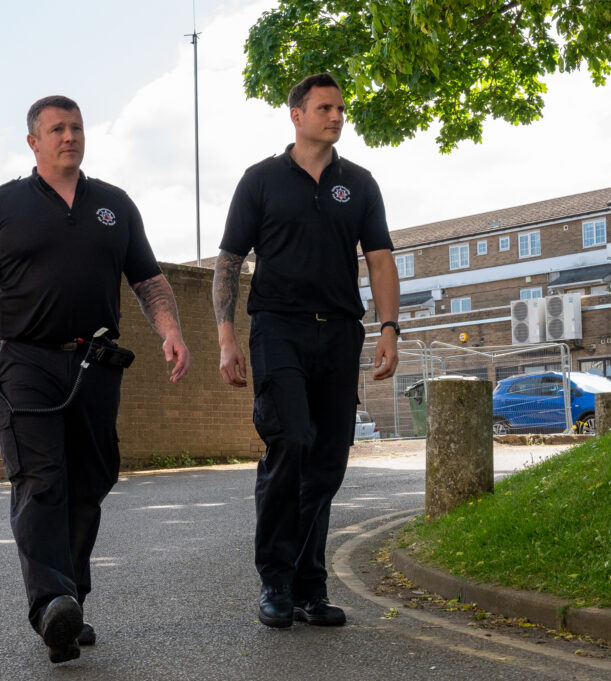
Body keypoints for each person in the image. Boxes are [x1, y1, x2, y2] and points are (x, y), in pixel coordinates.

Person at [0, 95, 190, 664]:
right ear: (33, 141)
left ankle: (70, 603)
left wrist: (171, 330)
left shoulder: (114, 205)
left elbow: (149, 279)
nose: (70, 136)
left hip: (95, 364)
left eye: (77, 127)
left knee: (90, 482)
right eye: (57, 129)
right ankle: (50, 602)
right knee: (41, 482)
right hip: (27, 364)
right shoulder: (0, 207)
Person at [212, 73, 401, 629]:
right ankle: (276, 580)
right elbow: (227, 263)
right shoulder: (261, 180)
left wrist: (389, 328)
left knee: (327, 459)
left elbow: (382, 260)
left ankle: (309, 585)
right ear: (296, 114)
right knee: (290, 442)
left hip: (341, 332)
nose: (337, 116)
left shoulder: (360, 183)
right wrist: (226, 337)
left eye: (341, 108)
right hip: (278, 329)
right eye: (325, 108)